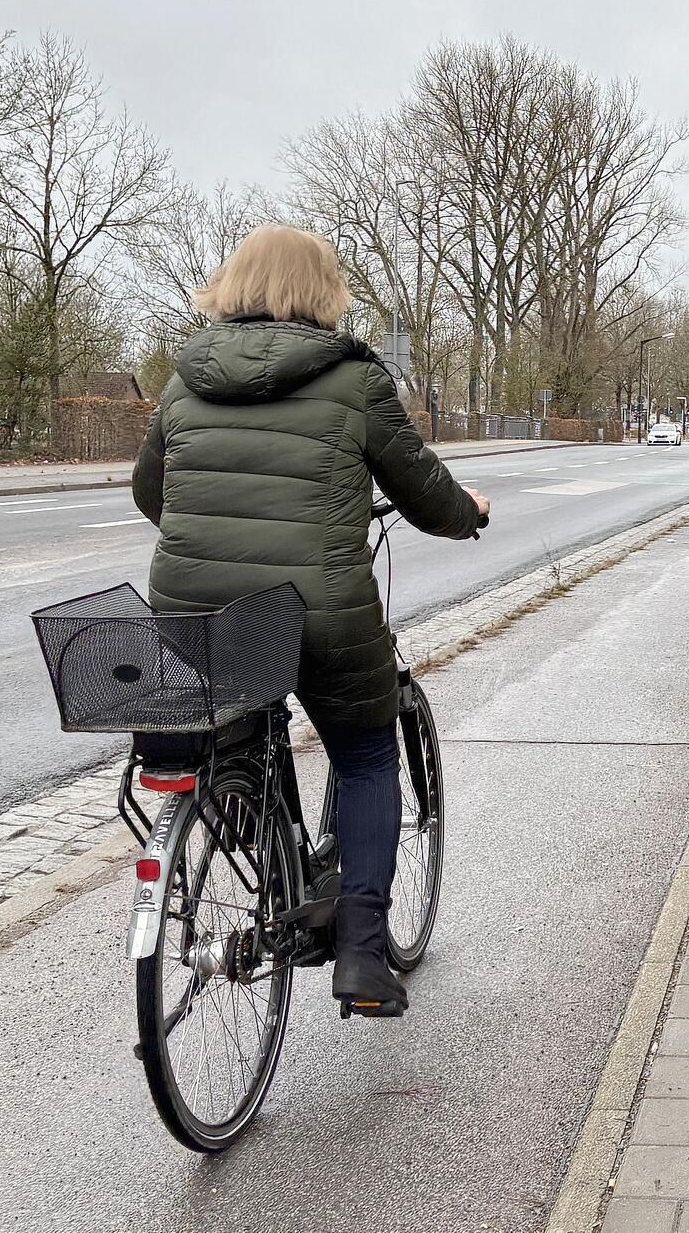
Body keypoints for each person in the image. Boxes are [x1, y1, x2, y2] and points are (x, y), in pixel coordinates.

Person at [131, 224, 488, 1019]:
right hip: (320, 612)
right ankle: (361, 951)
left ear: (231, 282)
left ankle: (258, 840)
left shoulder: (184, 381)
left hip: (195, 609)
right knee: (364, 755)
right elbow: (424, 492)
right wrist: (469, 512)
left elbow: (151, 495)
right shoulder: (354, 379)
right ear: (323, 290)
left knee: (243, 728)